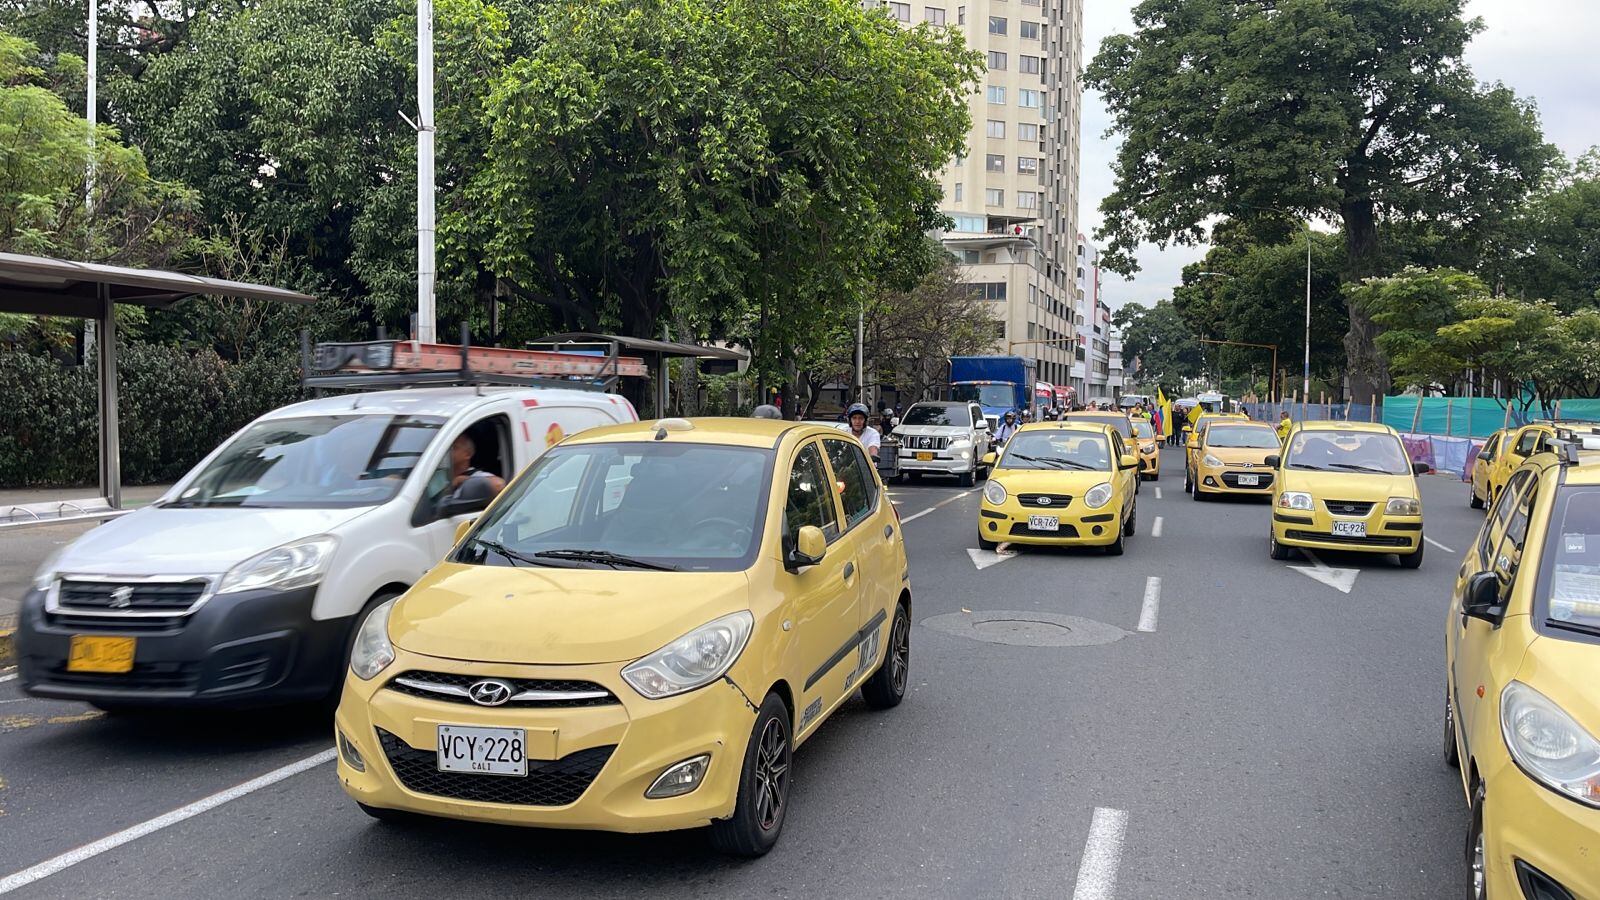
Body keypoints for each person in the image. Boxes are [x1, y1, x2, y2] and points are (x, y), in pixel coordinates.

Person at [443, 433, 506, 505]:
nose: (449, 452)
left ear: (467, 454)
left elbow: (499, 484)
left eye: (454, 448)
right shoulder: (439, 474)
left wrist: (463, 480)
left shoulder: (478, 476)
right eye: (448, 448)